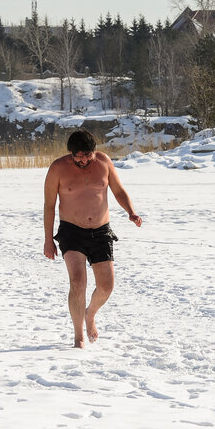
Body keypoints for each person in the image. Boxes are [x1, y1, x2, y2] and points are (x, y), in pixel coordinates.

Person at [43, 129, 142, 348]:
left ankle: (90, 314)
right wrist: (48, 240)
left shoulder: (104, 162)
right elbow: (49, 206)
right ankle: (78, 337)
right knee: (78, 281)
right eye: (78, 156)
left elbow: (118, 191)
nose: (84, 160)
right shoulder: (58, 168)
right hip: (71, 231)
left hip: (101, 231)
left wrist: (131, 211)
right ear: (70, 153)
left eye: (88, 155)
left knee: (106, 286)